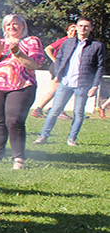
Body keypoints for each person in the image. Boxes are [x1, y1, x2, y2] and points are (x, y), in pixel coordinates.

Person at [0, 14, 45, 169]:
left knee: (14, 121)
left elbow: (35, 64)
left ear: (23, 25)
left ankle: (18, 158)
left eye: (15, 24)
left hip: (22, 86)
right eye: (8, 25)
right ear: (4, 28)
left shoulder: (32, 41)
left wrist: (17, 52)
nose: (11, 27)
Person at [33, 17, 104, 147]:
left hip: (83, 85)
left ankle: (72, 139)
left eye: (86, 26)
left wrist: (94, 86)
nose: (83, 29)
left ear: (91, 28)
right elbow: (59, 58)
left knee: (78, 113)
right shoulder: (68, 43)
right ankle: (43, 136)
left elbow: (100, 67)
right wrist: (58, 74)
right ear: (76, 27)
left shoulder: (97, 46)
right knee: (54, 110)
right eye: (80, 26)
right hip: (65, 83)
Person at [30, 21, 77, 120]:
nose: (73, 33)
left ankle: (55, 109)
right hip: (57, 67)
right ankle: (38, 110)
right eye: (71, 30)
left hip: (64, 67)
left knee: (62, 89)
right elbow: (48, 49)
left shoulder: (75, 42)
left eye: (75, 31)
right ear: (67, 31)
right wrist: (55, 61)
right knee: (54, 90)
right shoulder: (64, 40)